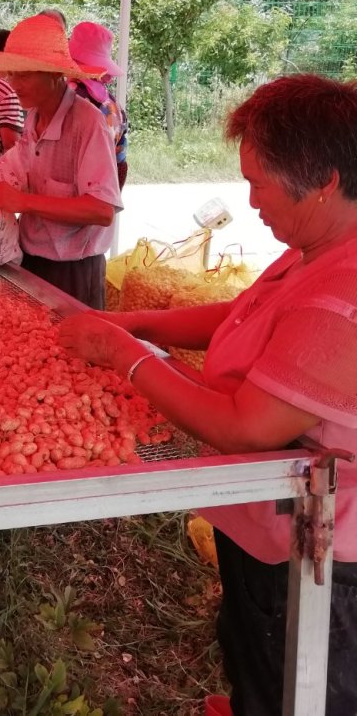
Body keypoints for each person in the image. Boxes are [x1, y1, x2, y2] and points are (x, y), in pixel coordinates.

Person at [58, 73, 357, 716]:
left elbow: (245, 426)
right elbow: (244, 313)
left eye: (260, 183)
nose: (250, 202)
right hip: (267, 527)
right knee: (253, 654)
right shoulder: (317, 248)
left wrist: (125, 356)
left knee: (303, 683)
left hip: (326, 557)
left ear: (325, 180)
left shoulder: (347, 288)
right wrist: (133, 323)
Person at [0, 14, 121, 309]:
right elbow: (14, 166)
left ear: (54, 76)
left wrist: (23, 202)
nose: (14, 85)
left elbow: (102, 210)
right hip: (32, 261)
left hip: (73, 271)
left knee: (72, 352)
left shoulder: (87, 122)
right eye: (11, 74)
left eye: (24, 75)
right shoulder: (34, 116)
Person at [69, 22, 129, 188]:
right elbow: (121, 164)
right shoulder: (115, 108)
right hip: (101, 198)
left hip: (61, 201)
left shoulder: (61, 98)